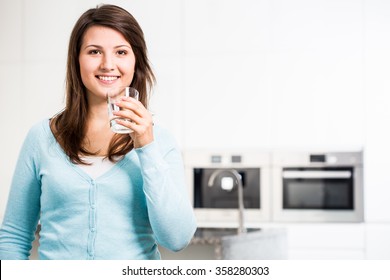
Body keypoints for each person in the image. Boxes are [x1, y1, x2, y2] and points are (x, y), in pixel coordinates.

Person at [0, 4, 196, 260]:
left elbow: (177, 238)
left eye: (121, 52)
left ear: (135, 60)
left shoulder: (160, 141)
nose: (107, 64)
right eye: (94, 52)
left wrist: (146, 147)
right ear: (76, 60)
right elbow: (14, 235)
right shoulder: (41, 137)